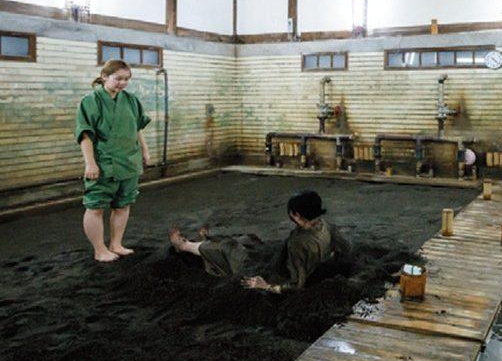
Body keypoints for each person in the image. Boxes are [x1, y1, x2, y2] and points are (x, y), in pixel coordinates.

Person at [168, 191, 350, 293]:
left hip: (268, 273)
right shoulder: (326, 225)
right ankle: (205, 240)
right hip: (276, 261)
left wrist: (266, 286)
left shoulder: (298, 244)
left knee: (227, 247)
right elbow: (345, 249)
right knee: (249, 239)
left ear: (296, 215)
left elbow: (297, 286)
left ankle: (184, 245)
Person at [75, 59, 151, 262]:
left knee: (123, 205)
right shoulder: (90, 101)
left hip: (129, 160)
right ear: (104, 76)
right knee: (96, 207)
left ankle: (116, 244)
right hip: (104, 162)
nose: (123, 83)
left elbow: (137, 128)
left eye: (127, 79)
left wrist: (145, 150)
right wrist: (90, 163)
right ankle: (99, 250)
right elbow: (85, 135)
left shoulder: (131, 100)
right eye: (118, 79)